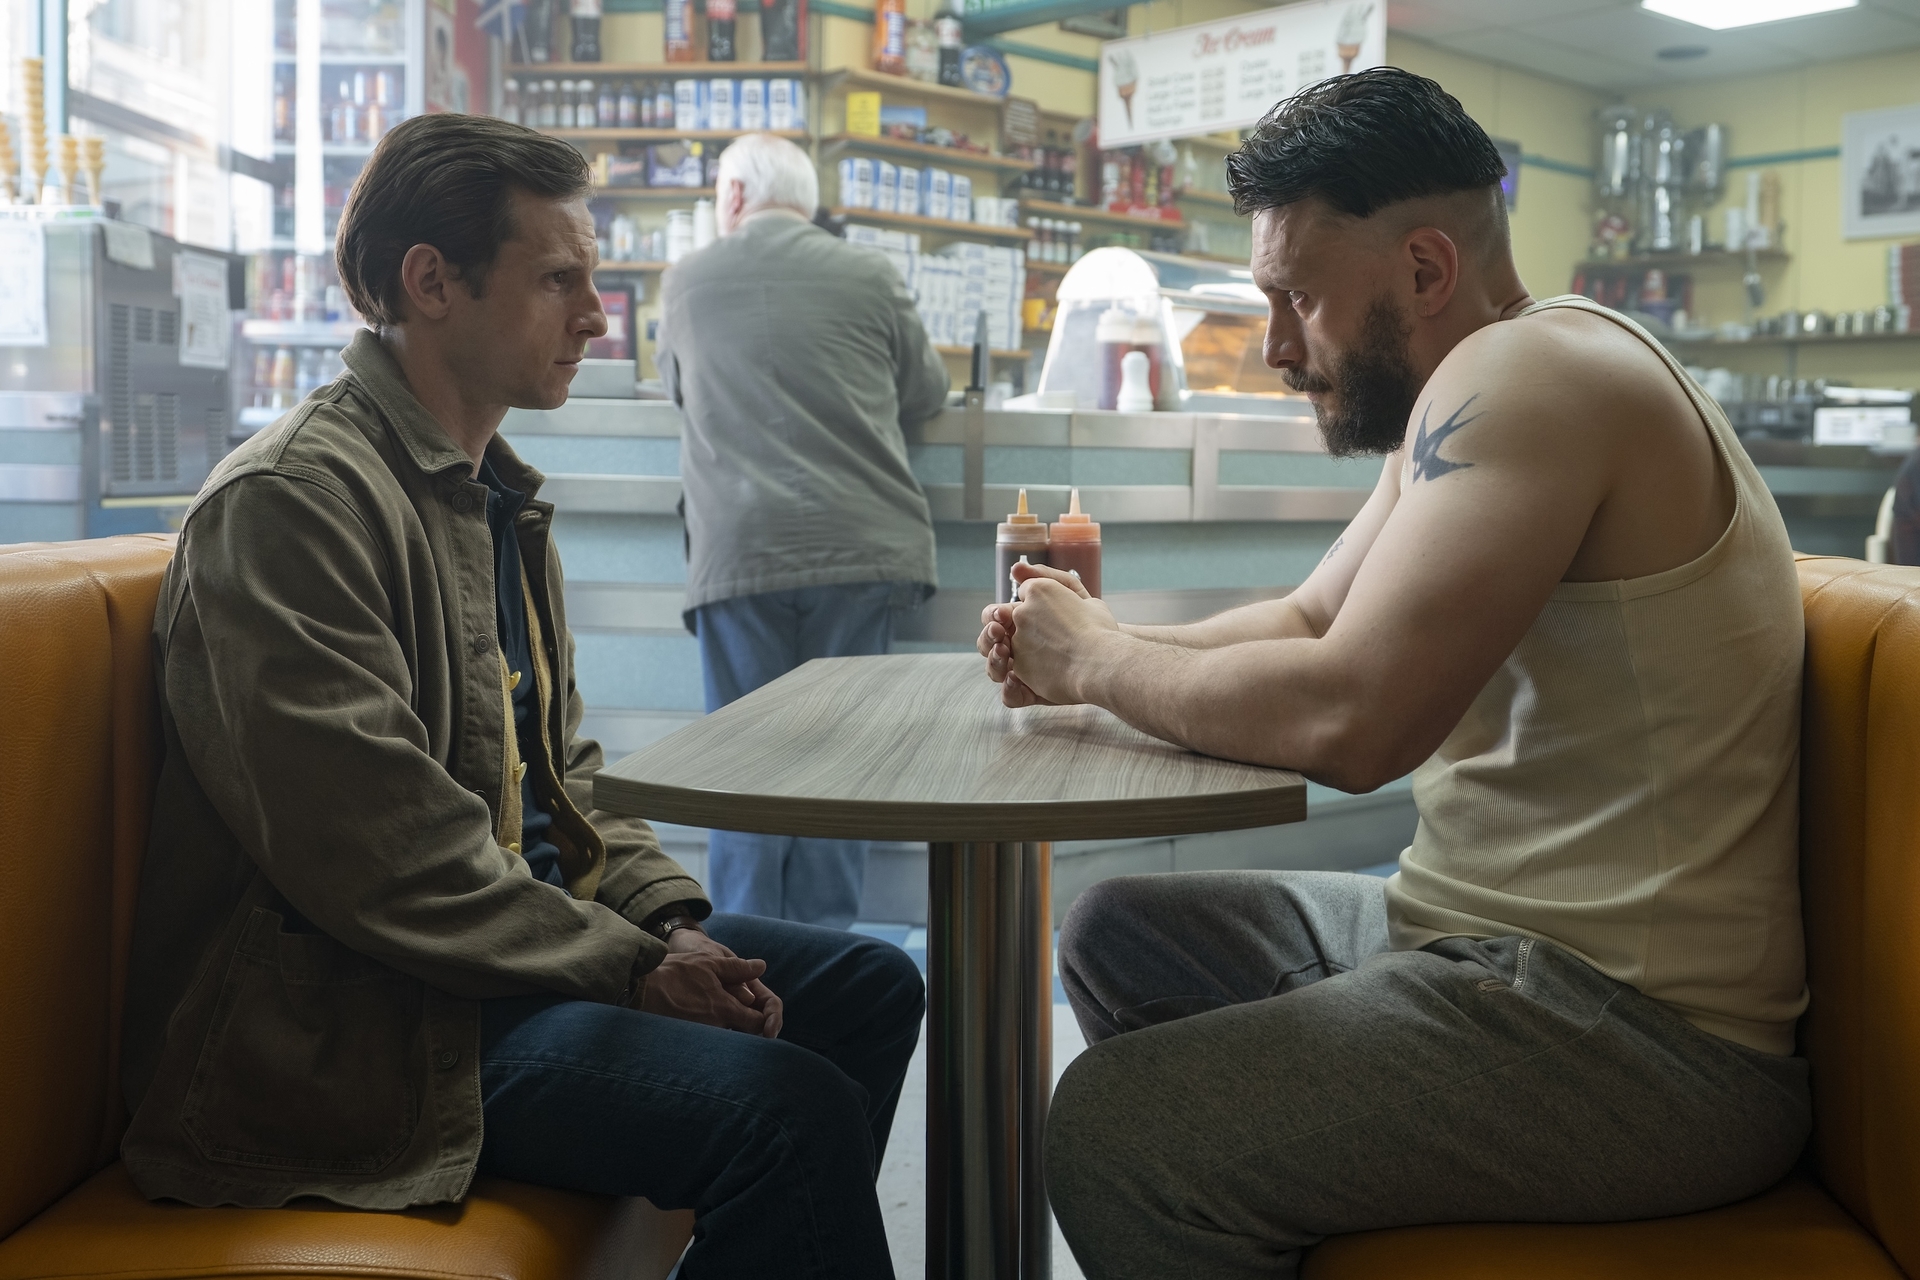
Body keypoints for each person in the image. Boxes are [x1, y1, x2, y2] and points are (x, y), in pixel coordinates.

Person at [978, 69, 1810, 1278]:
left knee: (1115, 1132)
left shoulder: (1530, 377)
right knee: (1120, 932)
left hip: (1643, 1039)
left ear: (1426, 270)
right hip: (1486, 947)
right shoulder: (1477, 383)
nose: (1273, 348)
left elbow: (1358, 715)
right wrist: (1086, 659)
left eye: (1298, 299)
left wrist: (1100, 658)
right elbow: (1315, 618)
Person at [118, 113, 922, 1280]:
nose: (599, 315)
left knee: (866, 986)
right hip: (366, 1028)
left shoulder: (489, 493)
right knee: (783, 1106)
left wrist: (666, 920)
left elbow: (565, 782)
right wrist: (633, 965)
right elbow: (385, 856)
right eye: (560, 278)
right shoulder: (289, 506)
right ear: (431, 281)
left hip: (498, 967)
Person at [657, 132, 949, 930]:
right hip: (860, 547)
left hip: (740, 554)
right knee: (838, 767)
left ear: (739, 197)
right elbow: (927, 391)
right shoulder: (869, 272)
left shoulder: (684, 281)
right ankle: (828, 961)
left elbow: (673, 389)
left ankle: (749, 968)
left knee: (745, 772)